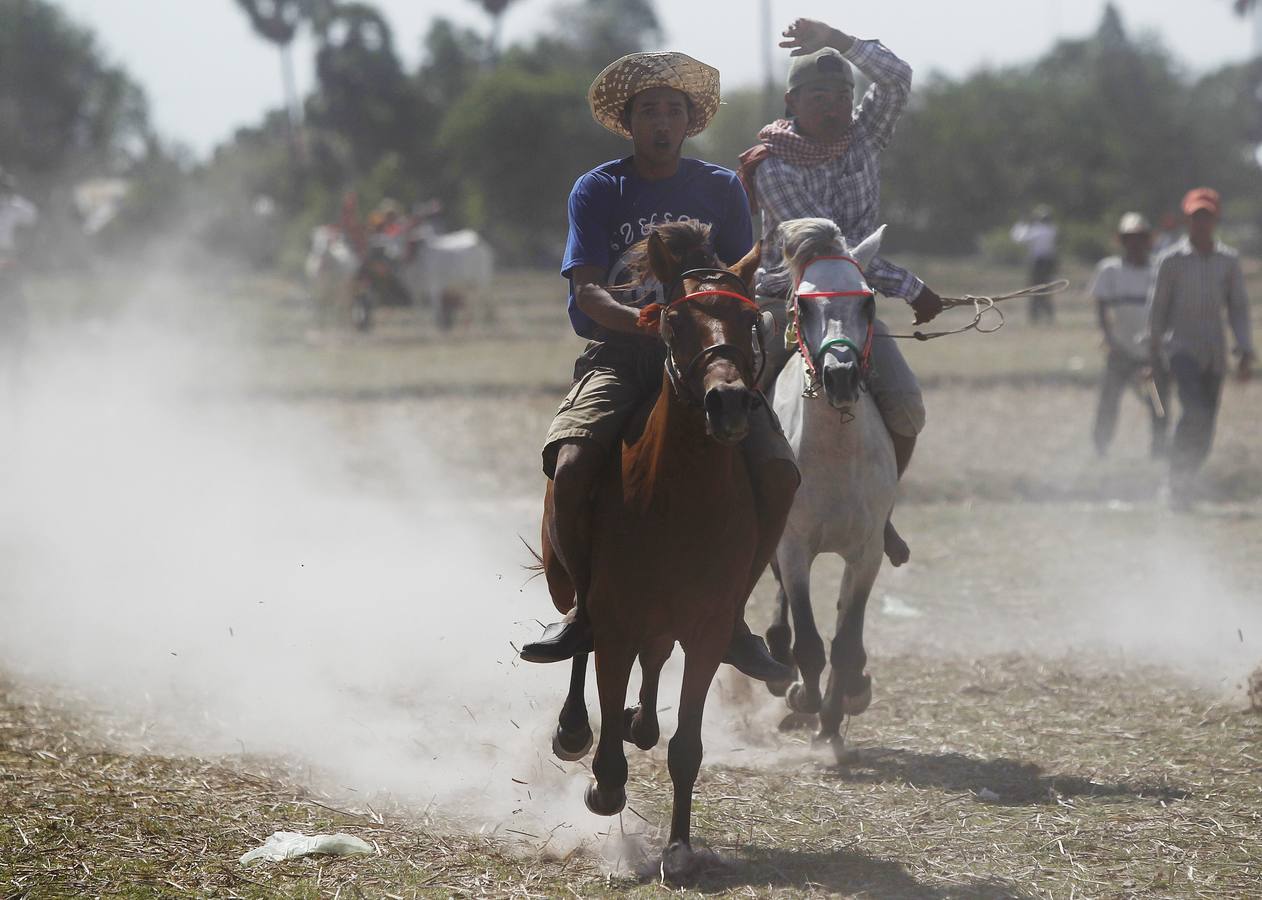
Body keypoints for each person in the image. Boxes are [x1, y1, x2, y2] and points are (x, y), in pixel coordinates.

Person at [519, 51, 799, 682]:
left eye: (674, 110)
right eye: (650, 110)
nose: (662, 121)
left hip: (705, 360)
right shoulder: (597, 189)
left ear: (690, 121)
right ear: (629, 122)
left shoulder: (721, 189)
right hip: (621, 353)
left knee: (779, 472)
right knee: (571, 465)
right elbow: (587, 290)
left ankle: (731, 619)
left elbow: (734, 282)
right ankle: (585, 609)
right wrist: (640, 321)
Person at [738, 17, 942, 566]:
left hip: (852, 302)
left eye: (842, 94)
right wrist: (913, 287)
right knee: (741, 403)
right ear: (792, 101)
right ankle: (747, 516)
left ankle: (879, 511)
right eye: (819, 95)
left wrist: (840, 42)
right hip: (789, 301)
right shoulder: (772, 166)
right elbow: (828, 250)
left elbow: (896, 78)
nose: (833, 104)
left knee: (904, 406)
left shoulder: (865, 134)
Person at [1147, 187, 1253, 509]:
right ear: (1187, 220)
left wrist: (1245, 349)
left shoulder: (1228, 261)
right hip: (1180, 349)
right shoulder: (1171, 261)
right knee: (1194, 411)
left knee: (1206, 427)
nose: (1201, 223)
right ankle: (1174, 480)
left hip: (1214, 353)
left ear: (1215, 218)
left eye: (1207, 216)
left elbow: (1237, 308)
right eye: (1196, 217)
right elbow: (1158, 307)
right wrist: (1152, 354)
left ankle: (1184, 481)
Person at [1089, 212, 1169, 458]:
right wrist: (1109, 338)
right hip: (1120, 349)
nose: (1135, 243)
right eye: (1129, 238)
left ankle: (1159, 452)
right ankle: (1100, 450)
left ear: (1148, 240)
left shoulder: (1160, 269)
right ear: (1122, 241)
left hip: (1152, 351)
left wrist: (1158, 348)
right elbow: (1101, 306)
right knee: (1109, 401)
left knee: (1157, 403)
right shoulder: (1110, 270)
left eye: (1140, 238)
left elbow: (1168, 308)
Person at [0, 167, 39, 383]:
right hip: (8, 261)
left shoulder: (14, 207)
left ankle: (18, 351)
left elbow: (32, 216)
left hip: (9, 260)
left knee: (17, 310)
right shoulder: (13, 207)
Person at [1011, 205, 1059, 324]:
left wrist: (1021, 224)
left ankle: (1035, 316)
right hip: (1049, 263)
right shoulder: (1052, 229)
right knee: (1046, 288)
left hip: (1038, 263)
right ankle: (1048, 315)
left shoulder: (1037, 230)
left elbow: (1018, 238)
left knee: (1034, 289)